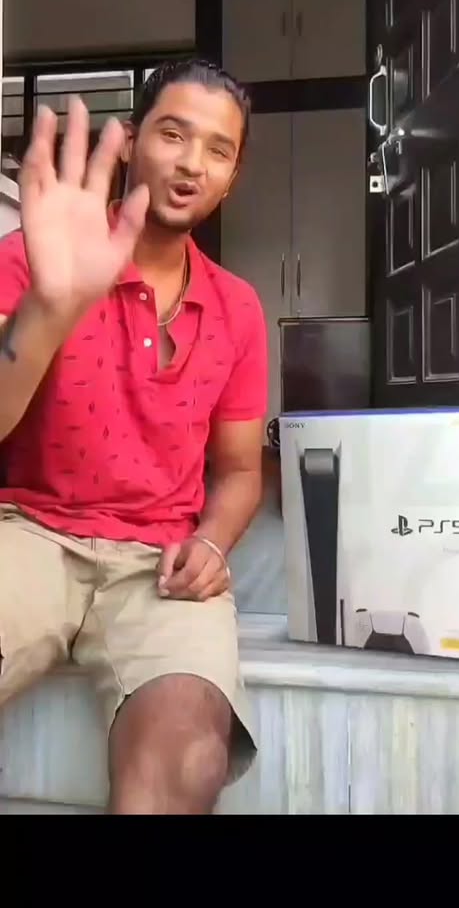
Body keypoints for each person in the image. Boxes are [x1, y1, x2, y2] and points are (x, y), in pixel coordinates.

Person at [0, 58, 268, 815]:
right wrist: (51, 305)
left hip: (158, 562)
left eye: (218, 149)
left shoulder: (238, 309)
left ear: (232, 177)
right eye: (172, 134)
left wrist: (212, 542)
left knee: (187, 757)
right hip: (27, 532)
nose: (192, 164)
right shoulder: (29, 259)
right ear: (131, 141)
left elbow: (240, 470)